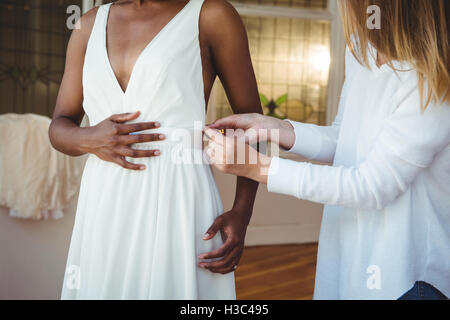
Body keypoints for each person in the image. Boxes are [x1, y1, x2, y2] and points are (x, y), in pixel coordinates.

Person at [204, 0, 450, 299]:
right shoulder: (362, 50)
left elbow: (372, 186)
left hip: (407, 277)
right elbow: (345, 139)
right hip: (347, 253)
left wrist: (257, 168)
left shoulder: (435, 77)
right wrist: (274, 127)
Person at [49, 0, 261, 299]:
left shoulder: (211, 15)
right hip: (103, 201)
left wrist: (242, 211)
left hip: (178, 197)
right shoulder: (88, 24)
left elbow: (251, 124)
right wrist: (90, 138)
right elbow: (59, 126)